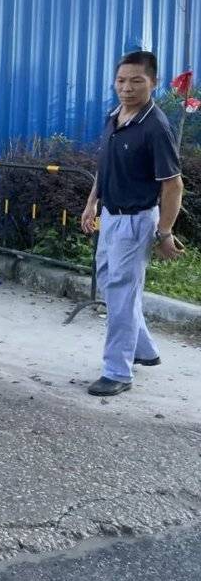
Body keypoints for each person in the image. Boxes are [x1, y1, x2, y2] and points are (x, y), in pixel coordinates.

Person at [80, 50, 184, 397]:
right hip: (110, 216)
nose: (127, 88)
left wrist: (164, 231)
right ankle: (145, 349)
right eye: (121, 80)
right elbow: (106, 165)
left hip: (136, 220)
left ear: (153, 83)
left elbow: (173, 184)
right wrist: (92, 202)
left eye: (136, 81)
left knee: (122, 293)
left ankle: (117, 371)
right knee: (112, 285)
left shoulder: (155, 128)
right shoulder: (116, 116)